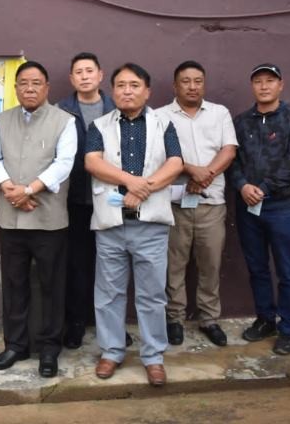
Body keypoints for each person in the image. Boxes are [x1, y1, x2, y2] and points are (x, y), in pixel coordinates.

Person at [85, 63, 183, 387]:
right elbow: (92, 162)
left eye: (135, 85)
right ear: (113, 90)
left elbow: (175, 163)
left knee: (152, 295)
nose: (128, 90)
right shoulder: (99, 125)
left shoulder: (164, 122)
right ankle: (112, 351)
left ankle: (153, 357)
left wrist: (146, 188)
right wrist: (132, 182)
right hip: (111, 224)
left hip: (151, 225)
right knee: (108, 294)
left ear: (147, 91)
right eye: (122, 85)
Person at [0, 60, 76, 378]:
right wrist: (10, 188)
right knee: (14, 284)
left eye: (36, 83)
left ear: (47, 88)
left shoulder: (64, 121)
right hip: (10, 218)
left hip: (48, 219)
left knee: (52, 285)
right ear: (15, 88)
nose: (30, 88)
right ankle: (16, 345)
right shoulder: (2, 119)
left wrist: (30, 189)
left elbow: (64, 163)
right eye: (23, 83)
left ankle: (49, 349)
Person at [228, 64, 290, 356]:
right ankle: (265, 319)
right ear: (252, 86)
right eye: (258, 82)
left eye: (270, 81)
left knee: (287, 270)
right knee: (257, 267)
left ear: (280, 85)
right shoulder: (241, 122)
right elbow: (231, 158)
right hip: (248, 205)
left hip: (280, 206)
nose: (264, 86)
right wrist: (242, 186)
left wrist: (262, 187)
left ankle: (288, 329)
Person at [155, 61, 237, 347]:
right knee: (173, 265)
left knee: (210, 264)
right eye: (186, 81)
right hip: (174, 204)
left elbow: (229, 150)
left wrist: (205, 176)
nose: (192, 86)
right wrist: (191, 169)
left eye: (198, 81)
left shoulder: (219, 113)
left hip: (211, 205)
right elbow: (158, 156)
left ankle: (209, 319)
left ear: (204, 83)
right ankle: (174, 318)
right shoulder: (159, 116)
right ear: (175, 85)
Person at [56, 52, 115, 349]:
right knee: (77, 265)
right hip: (76, 199)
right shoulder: (61, 110)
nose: (84, 76)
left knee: (111, 265)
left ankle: (113, 326)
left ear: (100, 75)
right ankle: (76, 323)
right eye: (78, 72)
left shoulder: (117, 106)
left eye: (89, 70)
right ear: (71, 78)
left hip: (113, 198)